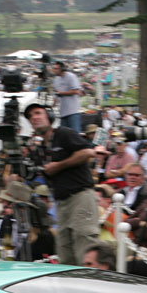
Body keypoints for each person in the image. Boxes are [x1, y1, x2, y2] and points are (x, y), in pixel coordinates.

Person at [25, 101, 98, 265]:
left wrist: (59, 165)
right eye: (30, 117)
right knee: (64, 250)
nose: (34, 118)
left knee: (84, 244)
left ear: (49, 116)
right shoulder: (40, 150)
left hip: (80, 196)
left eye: (38, 113)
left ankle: (91, 284)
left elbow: (87, 152)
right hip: (61, 202)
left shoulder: (63, 134)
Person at [50, 61, 83, 133]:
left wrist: (62, 93)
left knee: (75, 134)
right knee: (64, 135)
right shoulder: (56, 80)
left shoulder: (71, 76)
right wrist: (53, 105)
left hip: (73, 112)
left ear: (62, 69)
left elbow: (76, 91)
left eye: (56, 68)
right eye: (54, 68)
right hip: (62, 113)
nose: (54, 70)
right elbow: (56, 94)